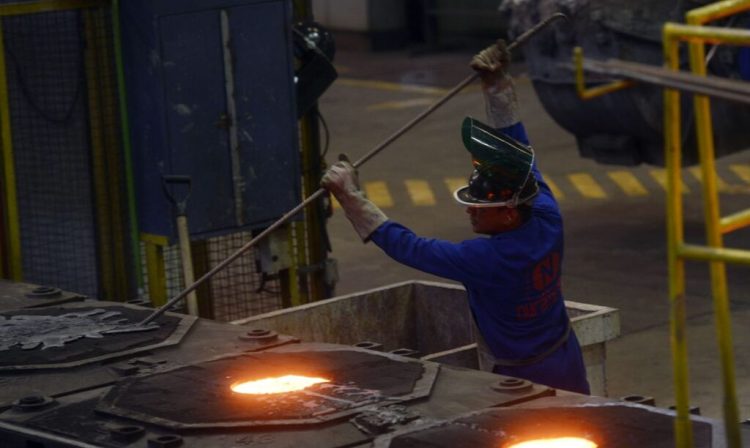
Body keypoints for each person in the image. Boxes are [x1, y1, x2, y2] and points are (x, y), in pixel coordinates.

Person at [321, 40, 590, 395]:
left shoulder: (486, 260)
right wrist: (496, 84)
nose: (469, 210)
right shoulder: (545, 214)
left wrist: (350, 198)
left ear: (509, 213)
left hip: (523, 380)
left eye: (480, 206)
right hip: (566, 359)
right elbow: (520, 156)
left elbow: (409, 248)